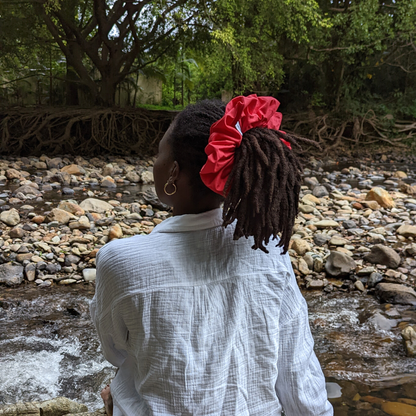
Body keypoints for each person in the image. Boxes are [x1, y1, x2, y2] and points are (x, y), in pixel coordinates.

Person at [90, 95, 333, 416]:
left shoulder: (120, 261)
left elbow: (116, 350)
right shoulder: (270, 249)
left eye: (159, 152)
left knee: (123, 380)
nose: (155, 162)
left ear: (173, 172)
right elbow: (298, 377)